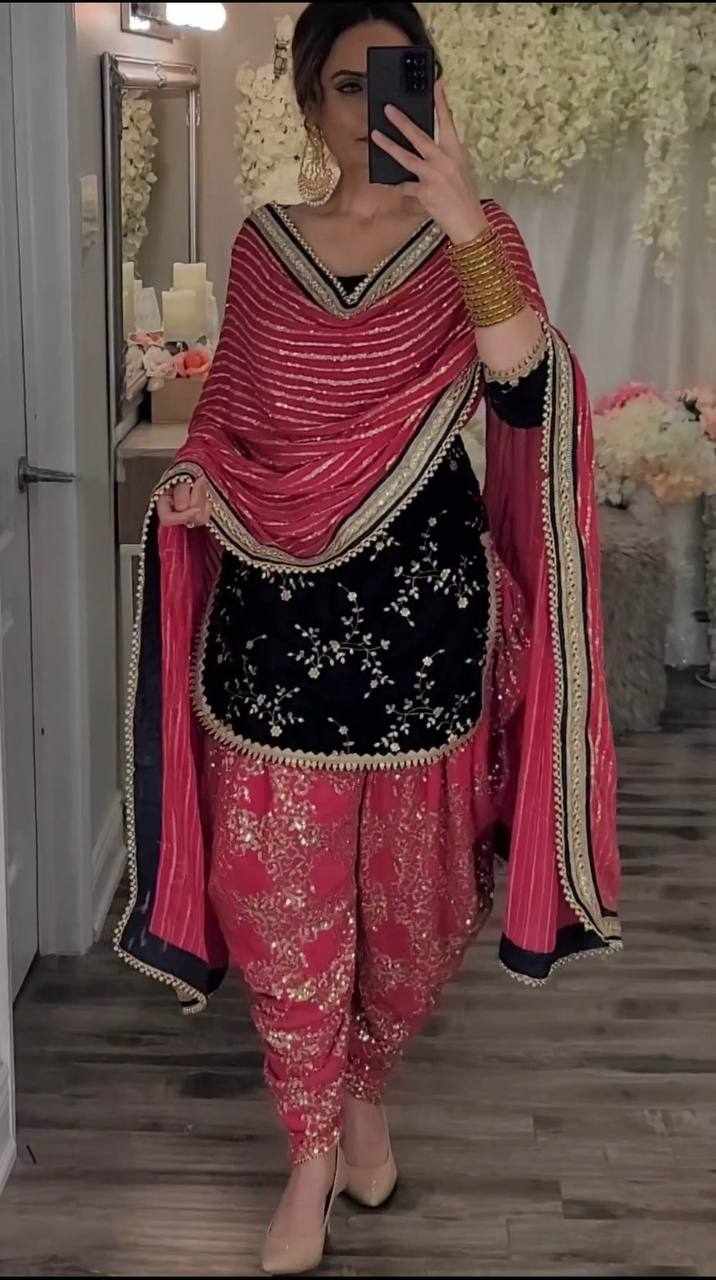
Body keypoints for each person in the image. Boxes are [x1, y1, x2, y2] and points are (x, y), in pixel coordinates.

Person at [114, 3, 622, 1273]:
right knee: (277, 897)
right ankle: (308, 1151)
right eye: (347, 84)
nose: (372, 105)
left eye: (398, 77)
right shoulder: (264, 243)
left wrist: (463, 225)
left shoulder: (473, 235)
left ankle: (367, 1090)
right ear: (308, 102)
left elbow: (522, 389)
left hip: (421, 624)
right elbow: (232, 415)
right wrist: (202, 476)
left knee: (410, 904)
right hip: (275, 623)